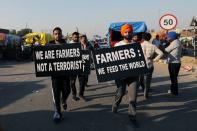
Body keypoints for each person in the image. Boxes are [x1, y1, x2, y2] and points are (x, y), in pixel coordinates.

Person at [112, 24, 140, 128]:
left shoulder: (136, 45)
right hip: (121, 75)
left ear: (132, 32)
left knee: (133, 97)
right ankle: (116, 104)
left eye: (129, 32)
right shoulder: (118, 45)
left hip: (133, 75)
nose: (128, 34)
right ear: (122, 33)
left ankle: (132, 116)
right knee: (121, 92)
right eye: (126, 32)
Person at [49, 27, 70, 123]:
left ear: (61, 34)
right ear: (53, 35)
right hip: (55, 76)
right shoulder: (49, 45)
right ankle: (57, 113)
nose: (57, 35)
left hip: (65, 75)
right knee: (56, 95)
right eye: (55, 34)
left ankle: (64, 100)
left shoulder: (66, 45)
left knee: (67, 90)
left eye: (59, 33)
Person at [140, 32, 163, 99]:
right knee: (148, 80)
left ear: (143, 38)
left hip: (141, 65)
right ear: (150, 38)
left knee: (140, 79)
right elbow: (161, 53)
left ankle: (137, 92)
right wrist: (154, 60)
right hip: (149, 65)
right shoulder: (153, 46)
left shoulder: (139, 45)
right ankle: (146, 93)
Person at [69, 32, 87, 101]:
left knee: (82, 82)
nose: (76, 38)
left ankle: (81, 94)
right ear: (72, 37)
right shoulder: (69, 45)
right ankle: (74, 95)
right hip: (72, 66)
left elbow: (85, 53)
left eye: (77, 37)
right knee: (72, 82)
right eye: (75, 37)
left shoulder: (81, 44)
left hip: (81, 65)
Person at [165, 31, 182, 96]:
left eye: (168, 37)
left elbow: (166, 50)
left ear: (172, 37)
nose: (167, 38)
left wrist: (160, 47)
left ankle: (174, 93)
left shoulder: (174, 43)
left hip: (173, 63)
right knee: (173, 78)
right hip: (176, 62)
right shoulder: (176, 41)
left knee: (173, 79)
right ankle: (172, 91)